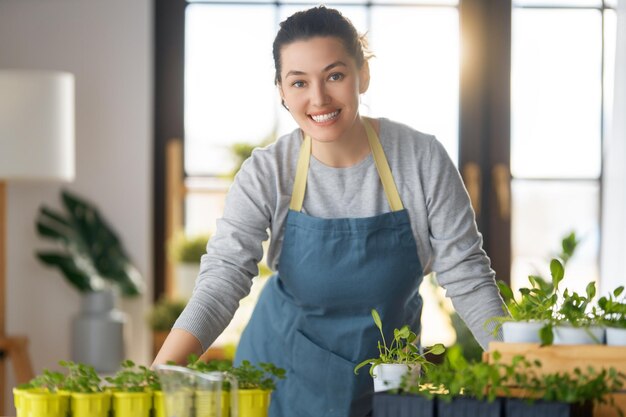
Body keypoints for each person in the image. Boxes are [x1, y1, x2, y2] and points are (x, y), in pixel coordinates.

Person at [153, 6, 506, 416]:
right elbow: (223, 278)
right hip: (285, 378)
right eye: (298, 82)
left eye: (334, 75)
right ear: (282, 92)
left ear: (363, 75)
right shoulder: (269, 171)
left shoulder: (420, 158)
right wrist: (163, 371)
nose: (318, 98)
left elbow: (467, 274)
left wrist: (520, 367)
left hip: (389, 377)